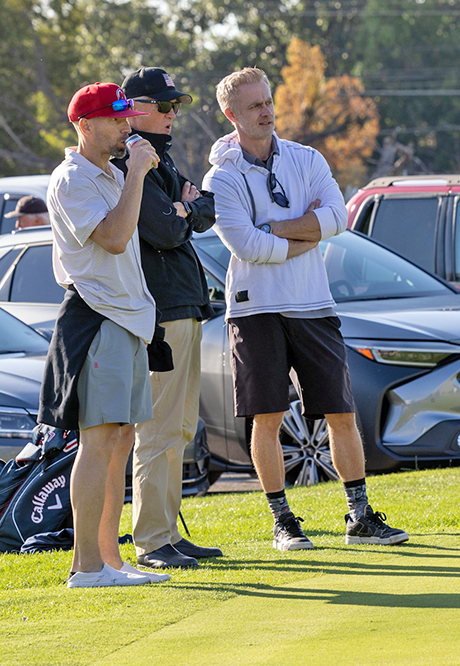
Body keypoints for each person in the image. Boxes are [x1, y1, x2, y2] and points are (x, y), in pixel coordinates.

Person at [202, 67, 407, 551]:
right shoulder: (221, 177)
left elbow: (337, 219)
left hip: (314, 303)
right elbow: (247, 247)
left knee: (340, 412)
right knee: (267, 417)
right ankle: (283, 521)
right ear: (231, 115)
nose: (267, 111)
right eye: (254, 106)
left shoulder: (307, 158)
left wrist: (274, 230)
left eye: (269, 101)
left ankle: (359, 517)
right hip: (255, 312)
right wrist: (301, 232)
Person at [40, 82, 168, 588]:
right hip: (95, 318)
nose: (124, 127)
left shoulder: (113, 173)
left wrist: (133, 175)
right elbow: (113, 240)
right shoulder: (72, 178)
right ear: (85, 126)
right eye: (115, 120)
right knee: (97, 442)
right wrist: (136, 172)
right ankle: (85, 566)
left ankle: (110, 562)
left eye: (125, 118)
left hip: (127, 318)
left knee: (120, 440)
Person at [110, 67, 223, 569]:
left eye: (175, 105)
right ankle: (153, 541)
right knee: (158, 431)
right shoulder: (129, 159)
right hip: (162, 312)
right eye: (164, 105)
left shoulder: (160, 160)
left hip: (183, 307)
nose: (173, 113)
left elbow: (208, 211)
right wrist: (183, 209)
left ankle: (167, 534)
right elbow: (165, 231)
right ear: (134, 108)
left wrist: (185, 209)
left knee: (178, 428)